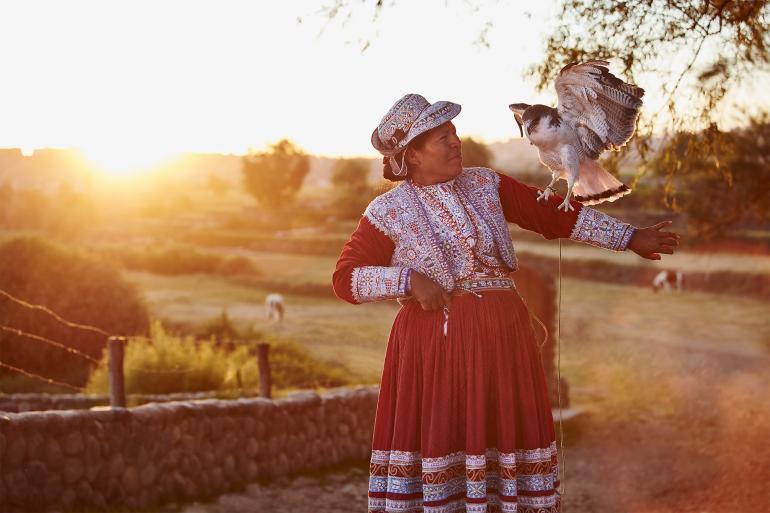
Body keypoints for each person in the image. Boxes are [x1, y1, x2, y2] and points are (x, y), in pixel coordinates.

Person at [332, 94, 679, 513]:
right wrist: (408, 279)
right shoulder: (387, 212)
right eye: (443, 137)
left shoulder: (486, 184)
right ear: (413, 156)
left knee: (504, 452)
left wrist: (629, 237)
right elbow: (345, 280)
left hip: (504, 341)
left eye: (454, 133)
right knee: (448, 444)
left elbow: (553, 214)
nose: (456, 142)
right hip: (436, 354)